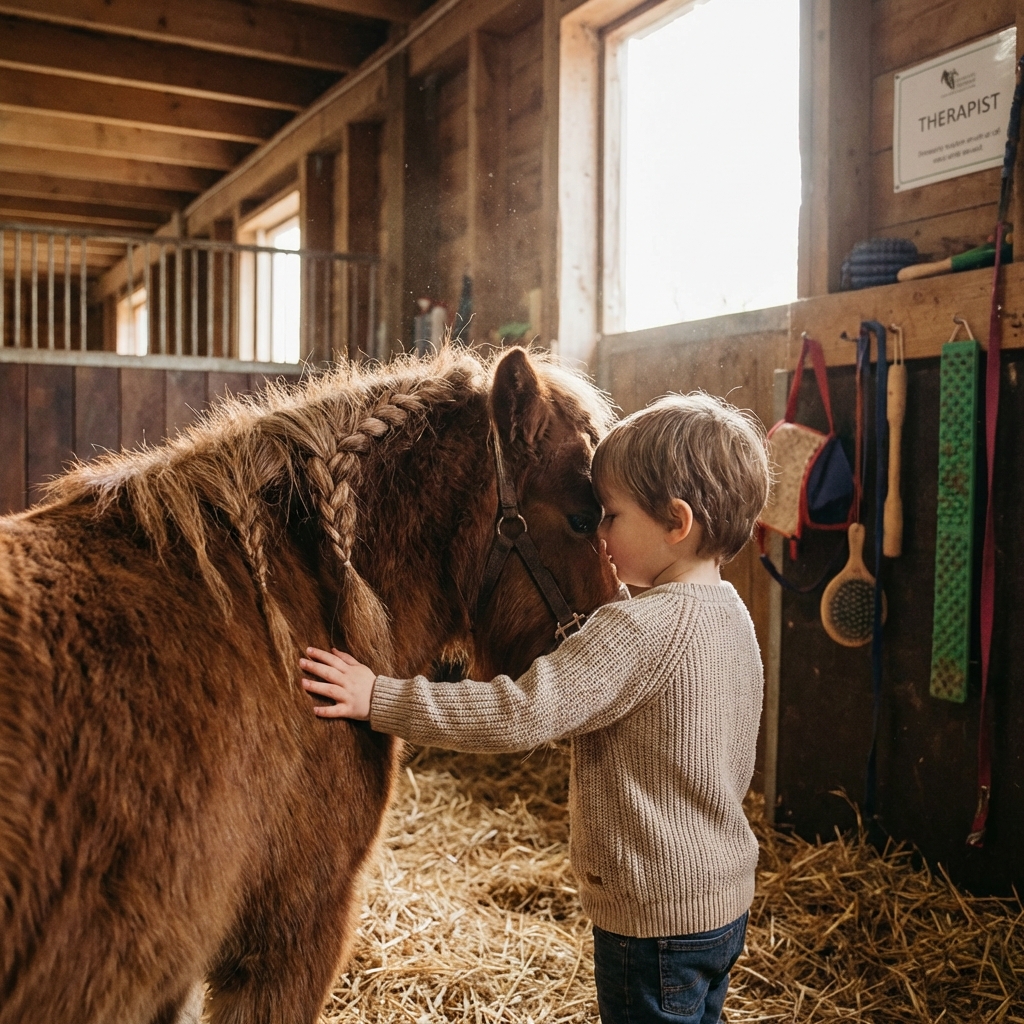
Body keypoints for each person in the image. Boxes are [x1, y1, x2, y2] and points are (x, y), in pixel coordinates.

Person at [300, 392, 770, 1024]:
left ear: (675, 523)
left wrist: (379, 697)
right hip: (721, 906)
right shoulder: (733, 615)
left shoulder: (635, 633)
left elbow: (518, 714)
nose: (600, 535)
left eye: (609, 517)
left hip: (652, 923)